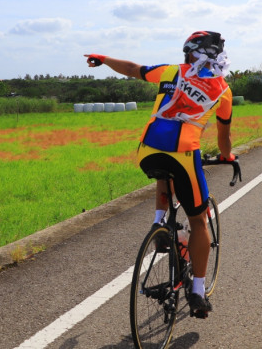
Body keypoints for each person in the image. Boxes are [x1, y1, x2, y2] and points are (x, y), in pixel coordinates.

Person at [85, 31, 235, 317]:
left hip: (147, 149)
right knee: (198, 220)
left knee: (163, 172)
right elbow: (224, 137)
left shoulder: (170, 71)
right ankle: (198, 292)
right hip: (183, 155)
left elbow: (132, 69)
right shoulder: (223, 91)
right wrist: (227, 155)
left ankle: (159, 224)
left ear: (189, 53)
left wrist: (103, 59)